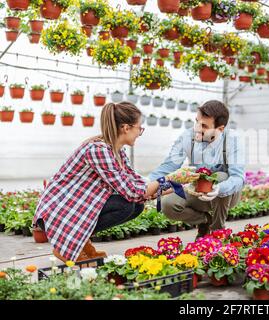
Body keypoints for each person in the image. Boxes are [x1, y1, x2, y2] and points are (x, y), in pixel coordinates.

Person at [33, 102, 194, 263]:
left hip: (73, 211)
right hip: (57, 212)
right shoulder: (98, 150)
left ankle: (80, 241)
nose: (140, 133)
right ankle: (66, 244)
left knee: (136, 206)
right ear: (126, 128)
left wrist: (181, 185)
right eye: (139, 128)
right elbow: (133, 192)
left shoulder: (117, 152)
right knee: (126, 205)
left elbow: (138, 185)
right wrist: (169, 178)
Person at [149, 100, 245, 239]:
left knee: (221, 177)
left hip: (226, 195)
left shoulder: (232, 140)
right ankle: (205, 221)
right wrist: (148, 184)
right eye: (197, 122)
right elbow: (168, 166)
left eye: (204, 126)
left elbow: (238, 178)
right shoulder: (188, 137)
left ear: (220, 129)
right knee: (168, 205)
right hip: (196, 189)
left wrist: (220, 188)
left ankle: (218, 232)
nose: (197, 128)